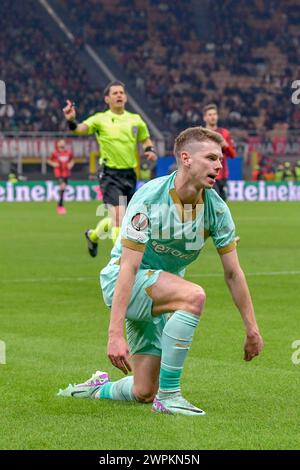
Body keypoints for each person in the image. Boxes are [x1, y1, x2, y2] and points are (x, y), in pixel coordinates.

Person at [58, 127, 264, 416]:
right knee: (194, 296)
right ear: (186, 158)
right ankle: (170, 396)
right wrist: (114, 334)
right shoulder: (150, 198)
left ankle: (95, 388)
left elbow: (234, 273)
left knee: (143, 390)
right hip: (123, 281)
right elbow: (129, 266)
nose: (219, 165)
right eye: (211, 158)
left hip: (159, 293)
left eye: (220, 159)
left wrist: (252, 329)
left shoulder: (217, 209)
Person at [62, 80, 157, 256]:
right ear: (107, 99)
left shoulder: (135, 120)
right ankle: (120, 262)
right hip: (109, 174)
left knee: (122, 219)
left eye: (121, 92)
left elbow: (145, 138)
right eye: (115, 93)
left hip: (129, 174)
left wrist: (149, 150)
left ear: (126, 97)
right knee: (119, 219)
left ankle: (93, 236)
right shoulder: (100, 119)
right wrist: (72, 121)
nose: (119, 95)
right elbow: (81, 129)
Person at [203, 103, 236, 201]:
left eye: (214, 114)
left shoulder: (224, 133)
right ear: (205, 117)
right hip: (207, 174)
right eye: (210, 115)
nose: (212, 117)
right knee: (213, 204)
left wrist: (226, 146)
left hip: (222, 174)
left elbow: (233, 155)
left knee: (222, 206)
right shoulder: (201, 134)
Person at [47, 139, 74, 214]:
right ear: (58, 144)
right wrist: (54, 164)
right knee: (62, 186)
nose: (62, 143)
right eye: (61, 142)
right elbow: (49, 160)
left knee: (63, 188)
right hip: (58, 173)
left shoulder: (68, 153)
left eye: (63, 142)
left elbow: (72, 160)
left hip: (66, 173)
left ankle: (60, 204)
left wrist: (70, 165)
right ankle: (60, 206)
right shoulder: (55, 153)